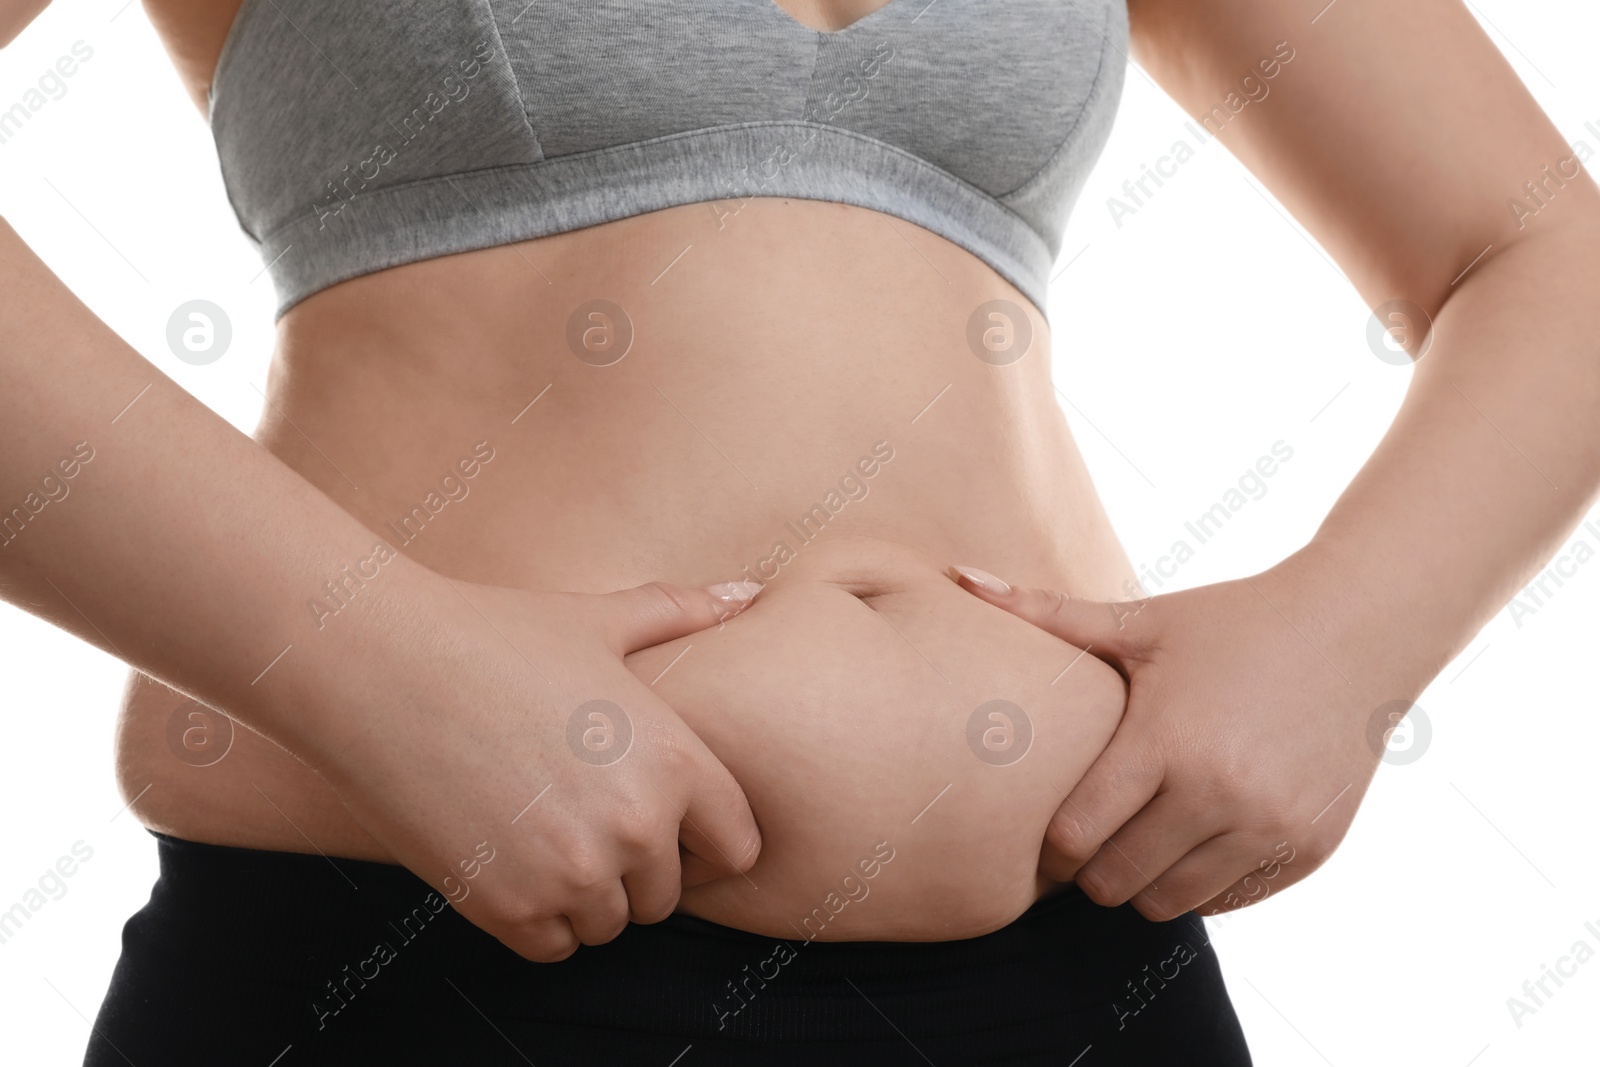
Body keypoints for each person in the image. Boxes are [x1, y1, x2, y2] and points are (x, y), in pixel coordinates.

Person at [0, 0, 1594, 1063]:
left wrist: (1343, 647)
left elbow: (1539, 253)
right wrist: (369, 659)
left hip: (1084, 969)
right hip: (413, 950)